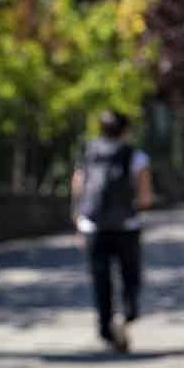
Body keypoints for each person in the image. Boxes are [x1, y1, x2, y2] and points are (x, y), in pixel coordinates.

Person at [71, 111, 153, 352]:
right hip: (127, 226)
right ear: (125, 130)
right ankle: (126, 316)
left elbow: (78, 188)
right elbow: (145, 197)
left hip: (92, 226)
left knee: (100, 279)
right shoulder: (135, 156)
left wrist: (78, 221)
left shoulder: (88, 153)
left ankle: (106, 330)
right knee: (129, 276)